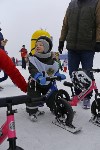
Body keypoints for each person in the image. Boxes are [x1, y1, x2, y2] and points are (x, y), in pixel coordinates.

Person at [58, 0, 100, 109]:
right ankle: (77, 94)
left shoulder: (96, 2)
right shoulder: (72, 3)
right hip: (72, 47)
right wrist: (62, 40)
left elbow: (99, 23)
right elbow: (65, 24)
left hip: (88, 47)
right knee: (73, 73)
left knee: (87, 73)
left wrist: (98, 41)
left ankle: (87, 97)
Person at [26, 36, 66, 121]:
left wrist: (58, 74)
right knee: (33, 96)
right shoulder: (33, 59)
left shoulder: (52, 61)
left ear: (47, 48)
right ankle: (32, 112)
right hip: (35, 83)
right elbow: (32, 69)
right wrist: (38, 76)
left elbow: (53, 70)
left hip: (48, 82)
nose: (37, 46)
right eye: (36, 45)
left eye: (41, 45)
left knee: (53, 95)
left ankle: (55, 108)